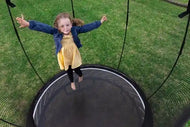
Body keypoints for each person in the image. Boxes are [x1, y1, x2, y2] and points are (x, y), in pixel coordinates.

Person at [16, 12, 107, 90]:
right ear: (58, 27)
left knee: (76, 68)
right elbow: (43, 27)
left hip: (73, 55)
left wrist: (99, 22)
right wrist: (28, 24)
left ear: (71, 24)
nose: (66, 28)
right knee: (68, 70)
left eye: (67, 25)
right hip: (64, 56)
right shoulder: (56, 32)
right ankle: (72, 82)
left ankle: (80, 75)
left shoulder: (74, 30)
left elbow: (87, 27)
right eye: (62, 26)